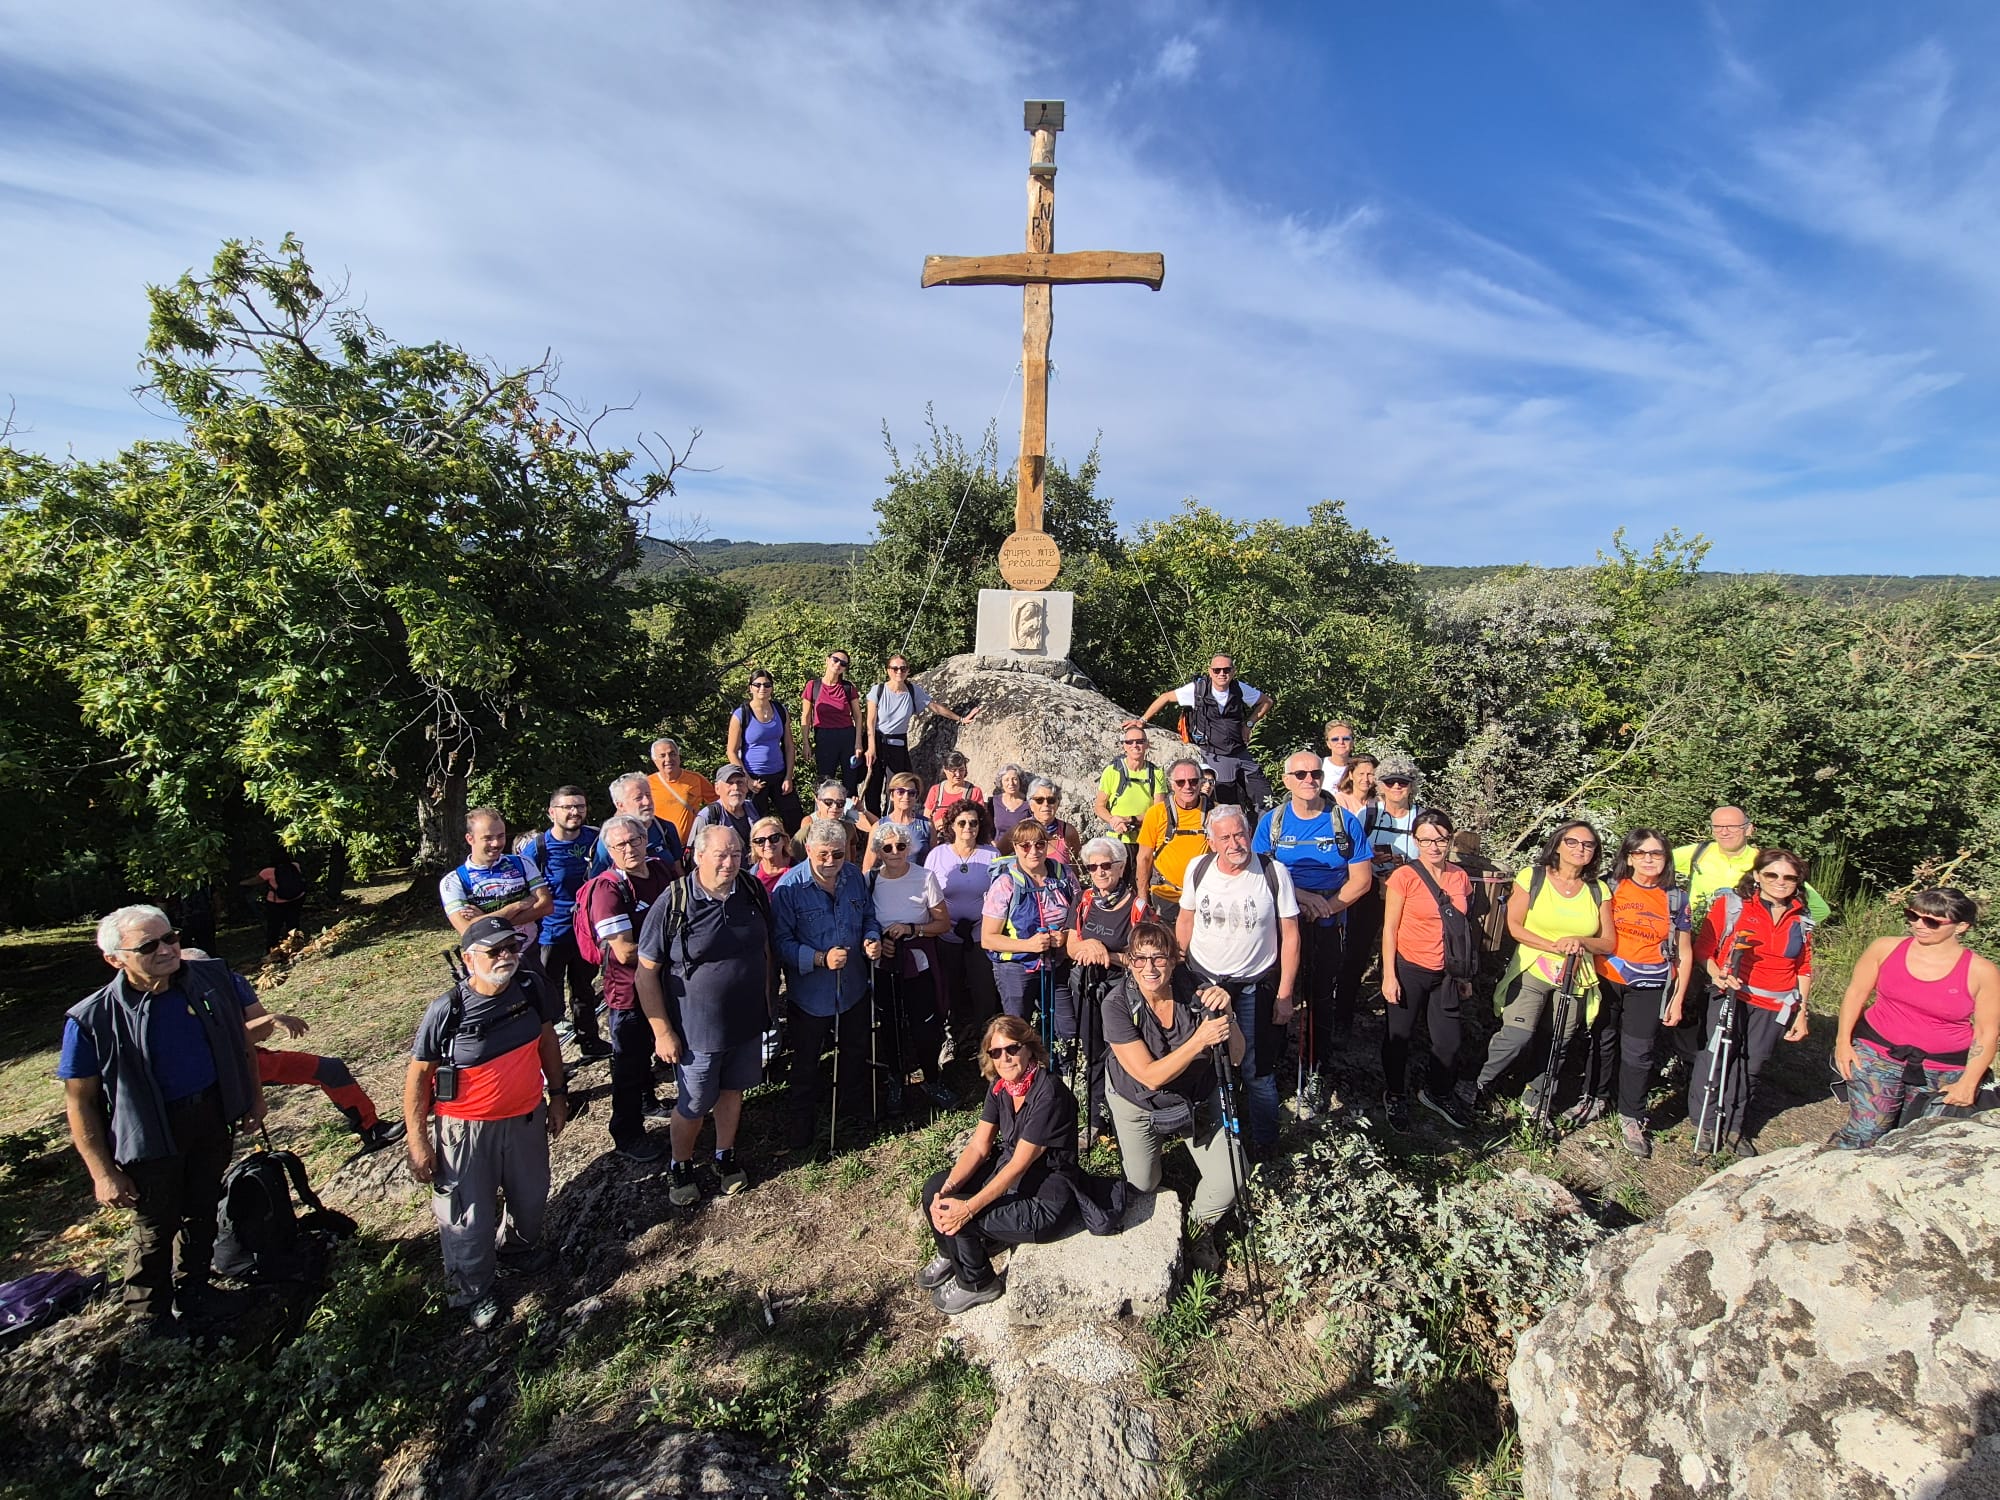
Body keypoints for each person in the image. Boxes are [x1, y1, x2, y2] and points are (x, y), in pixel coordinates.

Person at [60, 906, 267, 1336]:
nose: (167, 950)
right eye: (149, 945)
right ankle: (148, 1317)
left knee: (202, 1206)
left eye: (170, 938)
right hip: (149, 1130)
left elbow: (240, 1042)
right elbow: (80, 1101)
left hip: (210, 1113)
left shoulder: (208, 980)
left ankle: (194, 1289)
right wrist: (102, 1172)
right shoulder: (93, 1018)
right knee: (156, 1224)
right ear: (115, 959)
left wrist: (252, 1098)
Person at [404, 915, 566, 1330]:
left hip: (526, 1118)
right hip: (465, 1130)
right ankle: (472, 1290)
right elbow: (419, 1077)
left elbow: (547, 1041)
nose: (507, 957)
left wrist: (559, 1096)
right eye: (495, 951)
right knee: (467, 1217)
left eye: (512, 947)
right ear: (468, 958)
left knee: (531, 1197)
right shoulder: (447, 1009)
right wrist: (418, 1141)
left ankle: (517, 1250)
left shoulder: (530, 989)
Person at [636, 826, 778, 1206]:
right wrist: (661, 1031)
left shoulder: (751, 890)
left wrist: (769, 1005)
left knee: (733, 1091)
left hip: (746, 1021)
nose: (730, 862)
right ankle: (680, 1163)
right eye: (720, 855)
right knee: (694, 1102)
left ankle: (723, 1155)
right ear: (698, 856)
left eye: (736, 854)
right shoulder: (675, 901)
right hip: (696, 1029)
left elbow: (765, 950)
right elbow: (645, 971)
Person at [917, 1015, 1078, 1314]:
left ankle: (977, 1283)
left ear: (1029, 1048)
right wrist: (949, 1189)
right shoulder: (1001, 1087)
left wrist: (968, 1207)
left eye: (1012, 1049)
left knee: (962, 1216)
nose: (1005, 1058)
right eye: (996, 1052)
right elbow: (979, 1146)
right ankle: (950, 1256)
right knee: (935, 1190)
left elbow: (1019, 1164)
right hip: (1011, 1180)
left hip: (1044, 1199)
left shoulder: (1049, 1094)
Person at [1175, 803, 1300, 1158]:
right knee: (1205, 1062)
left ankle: (1265, 1144)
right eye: (1225, 837)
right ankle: (1214, 1141)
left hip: (1253, 986)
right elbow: (1186, 920)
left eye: (1240, 834)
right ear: (1211, 841)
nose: (1235, 843)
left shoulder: (1273, 872)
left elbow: (1290, 935)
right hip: (1202, 982)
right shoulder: (1198, 869)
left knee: (1257, 1070)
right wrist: (1179, 969)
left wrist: (1285, 993)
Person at [1831, 888, 2000, 1150]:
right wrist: (1843, 1042)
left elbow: (1987, 1032)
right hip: (1877, 1053)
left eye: (1931, 921)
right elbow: (1856, 993)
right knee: (1866, 1132)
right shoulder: (1885, 948)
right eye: (1912, 915)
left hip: (1944, 1068)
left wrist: (1969, 1082)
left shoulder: (1982, 972)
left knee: (1915, 1141)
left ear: (1961, 926)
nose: (1918, 925)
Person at [1668, 807, 1832, 1073]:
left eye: (1732, 826)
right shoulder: (1698, 853)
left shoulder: (1765, 863)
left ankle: (1723, 1068)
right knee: (1690, 1003)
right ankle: (1689, 1064)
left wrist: (1783, 933)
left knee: (1728, 1012)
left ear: (1749, 828)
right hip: (1701, 942)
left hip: (1744, 954)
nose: (1724, 832)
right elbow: (1655, 862)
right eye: (1717, 826)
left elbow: (1818, 908)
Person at [1101, 921, 1245, 1226]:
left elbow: (1236, 1056)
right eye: (1140, 958)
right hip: (1138, 1102)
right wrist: (1199, 1041)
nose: (1149, 968)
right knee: (1143, 1185)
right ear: (1129, 960)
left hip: (1196, 1098)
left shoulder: (1196, 990)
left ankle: (1197, 1226)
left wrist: (1228, 1015)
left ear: (1174, 959)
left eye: (1159, 957)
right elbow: (1149, 1076)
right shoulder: (1116, 1005)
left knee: (1232, 1179)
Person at [1473, 821, 1617, 1115]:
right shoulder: (1533, 876)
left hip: (1575, 974)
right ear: (1558, 844)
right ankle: (1477, 1083)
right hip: (1532, 967)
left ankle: (1535, 1096)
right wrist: (1554, 946)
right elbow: (1514, 926)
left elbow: (1608, 942)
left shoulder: (1598, 889)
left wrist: (1580, 941)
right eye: (1573, 842)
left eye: (1588, 845)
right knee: (1517, 1034)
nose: (1580, 849)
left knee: (1557, 1042)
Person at [1686, 849, 1815, 1156]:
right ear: (1757, 876)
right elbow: (1704, 948)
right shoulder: (1732, 905)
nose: (1780, 882)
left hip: (1775, 1004)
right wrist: (1718, 975)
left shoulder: (1801, 919)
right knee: (1716, 1057)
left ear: (1798, 882)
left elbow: (1804, 968)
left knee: (1751, 1064)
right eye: (1772, 874)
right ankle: (1704, 1123)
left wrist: (1802, 1013)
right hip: (1730, 992)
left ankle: (1733, 1126)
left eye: (1789, 877)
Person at [1254, 750, 1372, 1083]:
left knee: (1321, 997)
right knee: (1278, 990)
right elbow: (1260, 871)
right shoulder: (1272, 822)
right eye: (1301, 775)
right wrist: (1300, 897)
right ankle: (1270, 1065)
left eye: (1316, 774)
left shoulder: (1343, 821)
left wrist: (1327, 907)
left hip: (1329, 920)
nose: (1310, 780)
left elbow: (1362, 879)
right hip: (1282, 919)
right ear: (1286, 780)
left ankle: (1316, 1068)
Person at [771, 818, 883, 1150]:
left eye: (838, 854)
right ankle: (801, 1122)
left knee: (855, 1049)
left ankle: (850, 1106)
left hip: (853, 987)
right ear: (808, 851)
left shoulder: (853, 877)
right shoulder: (788, 889)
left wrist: (871, 938)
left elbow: (868, 917)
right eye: (823, 855)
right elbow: (780, 943)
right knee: (806, 1060)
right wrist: (818, 958)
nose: (831, 862)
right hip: (811, 995)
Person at [1583, 830, 1694, 1157]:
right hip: (1606, 976)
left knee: (1638, 1051)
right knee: (1600, 1040)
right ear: (1628, 857)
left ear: (1666, 858)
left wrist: (1678, 997)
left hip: (1650, 982)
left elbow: (1685, 952)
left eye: (1656, 854)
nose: (1648, 859)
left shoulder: (1676, 898)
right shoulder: (1610, 888)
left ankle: (1631, 1116)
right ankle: (1593, 1099)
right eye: (1641, 853)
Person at [574, 813, 675, 1160]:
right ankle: (627, 1133)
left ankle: (650, 1102)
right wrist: (675, 950)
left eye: (634, 840)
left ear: (645, 839)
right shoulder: (608, 889)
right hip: (628, 991)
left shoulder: (661, 869)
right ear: (608, 849)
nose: (629, 849)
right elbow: (624, 950)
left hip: (664, 984)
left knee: (652, 1051)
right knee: (629, 1062)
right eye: (620, 845)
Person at [1378, 810, 1478, 1132]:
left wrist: (1463, 975)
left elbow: (1462, 926)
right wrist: (1389, 975)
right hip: (1409, 967)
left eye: (1440, 839)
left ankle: (1438, 1092)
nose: (1433, 847)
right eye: (1425, 840)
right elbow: (1389, 929)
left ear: (1450, 839)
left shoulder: (1460, 877)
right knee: (1399, 1037)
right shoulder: (1404, 877)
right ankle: (1394, 1093)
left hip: (1447, 972)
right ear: (1415, 840)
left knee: (1448, 1041)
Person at [866, 822, 952, 1109]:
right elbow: (864, 923)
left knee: (924, 1024)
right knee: (889, 1025)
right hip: (884, 963)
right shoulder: (869, 880)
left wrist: (913, 929)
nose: (894, 852)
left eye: (901, 846)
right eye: (887, 847)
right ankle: (895, 1081)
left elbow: (942, 923)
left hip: (919, 962)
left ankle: (931, 1078)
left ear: (909, 848)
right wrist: (879, 939)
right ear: (878, 851)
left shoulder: (924, 876)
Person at [1338, 756, 1421, 1048]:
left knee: (1403, 957)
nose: (1396, 787)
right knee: (1354, 955)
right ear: (1380, 785)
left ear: (1412, 786)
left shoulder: (1421, 818)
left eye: (1403, 782)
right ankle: (1342, 1018)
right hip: (1369, 892)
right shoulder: (1368, 814)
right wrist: (1374, 858)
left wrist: (1403, 863)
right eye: (1390, 782)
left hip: (1408, 896)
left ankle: (1397, 1024)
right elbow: (1352, 854)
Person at [527, 786, 611, 1059]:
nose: (575, 812)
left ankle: (589, 1041)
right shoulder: (538, 848)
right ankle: (548, 1054)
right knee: (548, 994)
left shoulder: (598, 838)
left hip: (586, 930)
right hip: (551, 933)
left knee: (584, 989)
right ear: (552, 812)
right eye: (567, 807)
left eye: (580, 806)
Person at [981, 821, 1078, 1052]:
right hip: (1017, 967)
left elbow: (1080, 916)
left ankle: (1063, 1076)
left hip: (1058, 964)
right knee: (1018, 1031)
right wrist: (1030, 945)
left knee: (1067, 1030)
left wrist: (1065, 935)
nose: (1033, 851)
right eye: (1025, 846)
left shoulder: (1064, 875)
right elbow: (988, 938)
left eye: (1040, 844)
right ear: (1015, 847)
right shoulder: (1006, 883)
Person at [1066, 836, 1140, 1133]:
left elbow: (1141, 960)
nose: (1099, 872)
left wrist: (1105, 954)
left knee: (1123, 1054)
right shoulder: (1084, 900)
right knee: (1092, 1051)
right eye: (1093, 867)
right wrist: (1090, 946)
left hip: (1120, 992)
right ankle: (1098, 1119)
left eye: (1106, 865)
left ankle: (1128, 1117)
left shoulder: (1137, 907)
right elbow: (1072, 946)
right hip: (1085, 989)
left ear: (1121, 867)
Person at [1139, 655, 1273, 809]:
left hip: (1240, 751)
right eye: (1217, 670)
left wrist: (1249, 724)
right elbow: (1165, 697)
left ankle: (1266, 830)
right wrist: (1142, 720)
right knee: (1227, 805)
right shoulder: (1198, 689)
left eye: (1226, 670)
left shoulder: (1239, 688)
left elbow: (1266, 701)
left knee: (1265, 797)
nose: (1222, 674)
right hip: (1215, 754)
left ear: (1233, 671)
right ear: (1210, 672)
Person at [924, 799, 1001, 1060]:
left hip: (981, 934)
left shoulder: (991, 855)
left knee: (984, 989)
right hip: (947, 933)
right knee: (950, 987)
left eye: (974, 822)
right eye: (962, 822)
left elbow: (1000, 894)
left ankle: (984, 1041)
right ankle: (953, 1038)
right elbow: (928, 894)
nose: (968, 827)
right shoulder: (938, 855)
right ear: (952, 826)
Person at [863, 654, 979, 815]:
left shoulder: (912, 691)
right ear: (888, 670)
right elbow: (870, 722)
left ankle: (891, 819)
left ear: (908, 671)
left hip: (898, 743)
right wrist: (871, 747)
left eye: (903, 668)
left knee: (898, 785)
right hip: (877, 739)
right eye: (895, 668)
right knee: (873, 785)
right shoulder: (878, 690)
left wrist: (960, 719)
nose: (899, 672)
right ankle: (873, 823)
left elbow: (935, 707)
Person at [440, 809, 553, 965]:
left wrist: (485, 920)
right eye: (488, 838)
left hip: (529, 952)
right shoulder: (453, 881)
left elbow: (546, 906)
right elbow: (467, 930)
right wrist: (516, 906)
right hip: (489, 960)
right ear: (470, 839)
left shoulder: (522, 863)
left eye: (501, 836)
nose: (497, 843)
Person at [1132, 753, 1211, 926]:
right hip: (1165, 896)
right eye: (1180, 782)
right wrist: (1142, 898)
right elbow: (1144, 858)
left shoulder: (1215, 814)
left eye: (1193, 781)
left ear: (1201, 782)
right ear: (1171, 784)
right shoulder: (1157, 813)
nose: (1187, 786)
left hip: (1205, 896)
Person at [728, 670, 804, 830]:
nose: (762, 688)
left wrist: (789, 776)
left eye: (767, 685)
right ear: (750, 688)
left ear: (772, 687)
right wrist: (747, 780)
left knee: (795, 819)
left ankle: (796, 854)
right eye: (757, 685)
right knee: (757, 825)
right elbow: (731, 751)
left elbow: (789, 745)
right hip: (754, 778)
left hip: (779, 775)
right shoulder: (741, 714)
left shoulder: (780, 710)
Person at [588, 773, 686, 880]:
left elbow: (678, 870)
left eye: (648, 795)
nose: (647, 802)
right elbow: (597, 881)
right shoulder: (610, 839)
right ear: (620, 805)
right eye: (638, 798)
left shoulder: (665, 828)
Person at [1094, 722, 1163, 859]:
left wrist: (1130, 820)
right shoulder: (1112, 771)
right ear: (1124, 746)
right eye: (1130, 742)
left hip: (1145, 840)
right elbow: (1099, 806)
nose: (1134, 745)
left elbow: (1159, 811)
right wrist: (1113, 821)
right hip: (1116, 840)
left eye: (1140, 741)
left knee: (1143, 880)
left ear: (1147, 744)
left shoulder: (1156, 773)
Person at [801, 650, 862, 793]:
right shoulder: (813, 686)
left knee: (850, 781)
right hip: (824, 736)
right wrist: (806, 743)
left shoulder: (848, 688)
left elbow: (858, 716)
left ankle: (851, 813)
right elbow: (806, 716)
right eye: (835, 660)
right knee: (825, 782)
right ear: (827, 660)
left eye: (843, 663)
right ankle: (824, 813)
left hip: (847, 736)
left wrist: (858, 742)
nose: (838, 664)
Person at [647, 738, 716, 846]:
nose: (668, 759)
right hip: (662, 847)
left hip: (691, 846)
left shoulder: (695, 779)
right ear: (654, 760)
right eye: (662, 756)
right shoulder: (647, 784)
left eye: (672, 754)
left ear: (679, 757)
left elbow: (718, 804)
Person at [863, 770, 935, 869]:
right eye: (900, 792)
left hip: (920, 882)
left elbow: (935, 861)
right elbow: (868, 867)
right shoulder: (878, 827)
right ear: (892, 795)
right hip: (889, 882)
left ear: (916, 797)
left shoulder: (927, 825)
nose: (906, 796)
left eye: (911, 793)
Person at [243, 853, 308, 950]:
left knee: (274, 927)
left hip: (276, 902)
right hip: (296, 898)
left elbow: (254, 881)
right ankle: (297, 945)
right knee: (293, 923)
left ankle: (272, 948)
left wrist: (241, 883)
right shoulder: (295, 865)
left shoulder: (268, 871)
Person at [691, 765, 757, 850]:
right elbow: (695, 853)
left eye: (740, 782)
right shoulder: (708, 815)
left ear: (746, 786)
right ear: (717, 788)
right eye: (729, 783)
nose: (736, 788)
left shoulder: (753, 808)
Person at [1023, 779, 1083, 866]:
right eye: (1039, 800)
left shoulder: (1067, 832)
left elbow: (1078, 864)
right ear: (1031, 805)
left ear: (1057, 804)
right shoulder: (1021, 830)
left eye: (1051, 800)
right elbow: (1000, 855)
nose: (1046, 804)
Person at [923, 751, 985, 824]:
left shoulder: (974, 792)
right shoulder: (935, 791)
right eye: (953, 770)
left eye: (961, 770)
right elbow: (926, 819)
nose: (958, 774)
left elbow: (980, 818)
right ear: (945, 770)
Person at [748, 815, 796, 895]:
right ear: (754, 846)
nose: (768, 844)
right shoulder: (749, 880)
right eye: (760, 841)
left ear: (784, 840)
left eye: (774, 838)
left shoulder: (802, 872)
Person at [991, 764, 1035, 844]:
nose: (1011, 783)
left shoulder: (1028, 803)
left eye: (1014, 779)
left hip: (1022, 848)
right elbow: (986, 826)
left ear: (1020, 781)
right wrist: (991, 842)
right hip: (999, 849)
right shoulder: (994, 802)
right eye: (1006, 780)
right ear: (1001, 783)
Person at [1320, 721, 1356, 791]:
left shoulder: (1358, 766)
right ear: (1328, 744)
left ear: (1352, 743)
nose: (1341, 742)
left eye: (1346, 738)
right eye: (1335, 739)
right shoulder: (1319, 766)